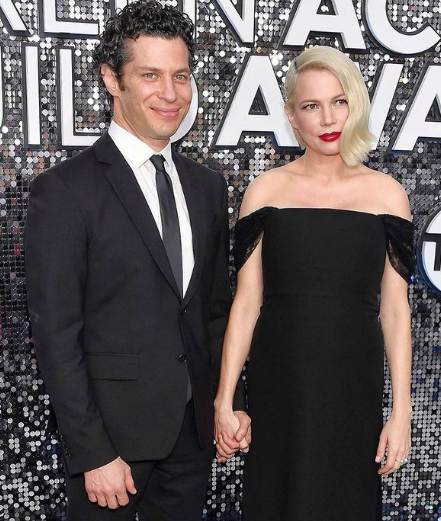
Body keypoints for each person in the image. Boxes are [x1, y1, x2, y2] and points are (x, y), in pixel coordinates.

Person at [24, 2, 250, 519]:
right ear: (112, 79)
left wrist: (229, 401)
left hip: (192, 438)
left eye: (180, 76)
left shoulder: (207, 187)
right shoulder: (65, 190)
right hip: (111, 446)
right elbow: (56, 334)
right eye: (150, 75)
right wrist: (92, 452)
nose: (170, 93)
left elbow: (214, 311)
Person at [214, 46, 415, 520]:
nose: (328, 118)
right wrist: (225, 398)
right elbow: (247, 302)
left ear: (355, 105)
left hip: (353, 386)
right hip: (279, 384)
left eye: (339, 101)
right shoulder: (265, 191)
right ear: (291, 115)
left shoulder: (387, 194)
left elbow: (395, 310)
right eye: (311, 105)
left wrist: (402, 412)